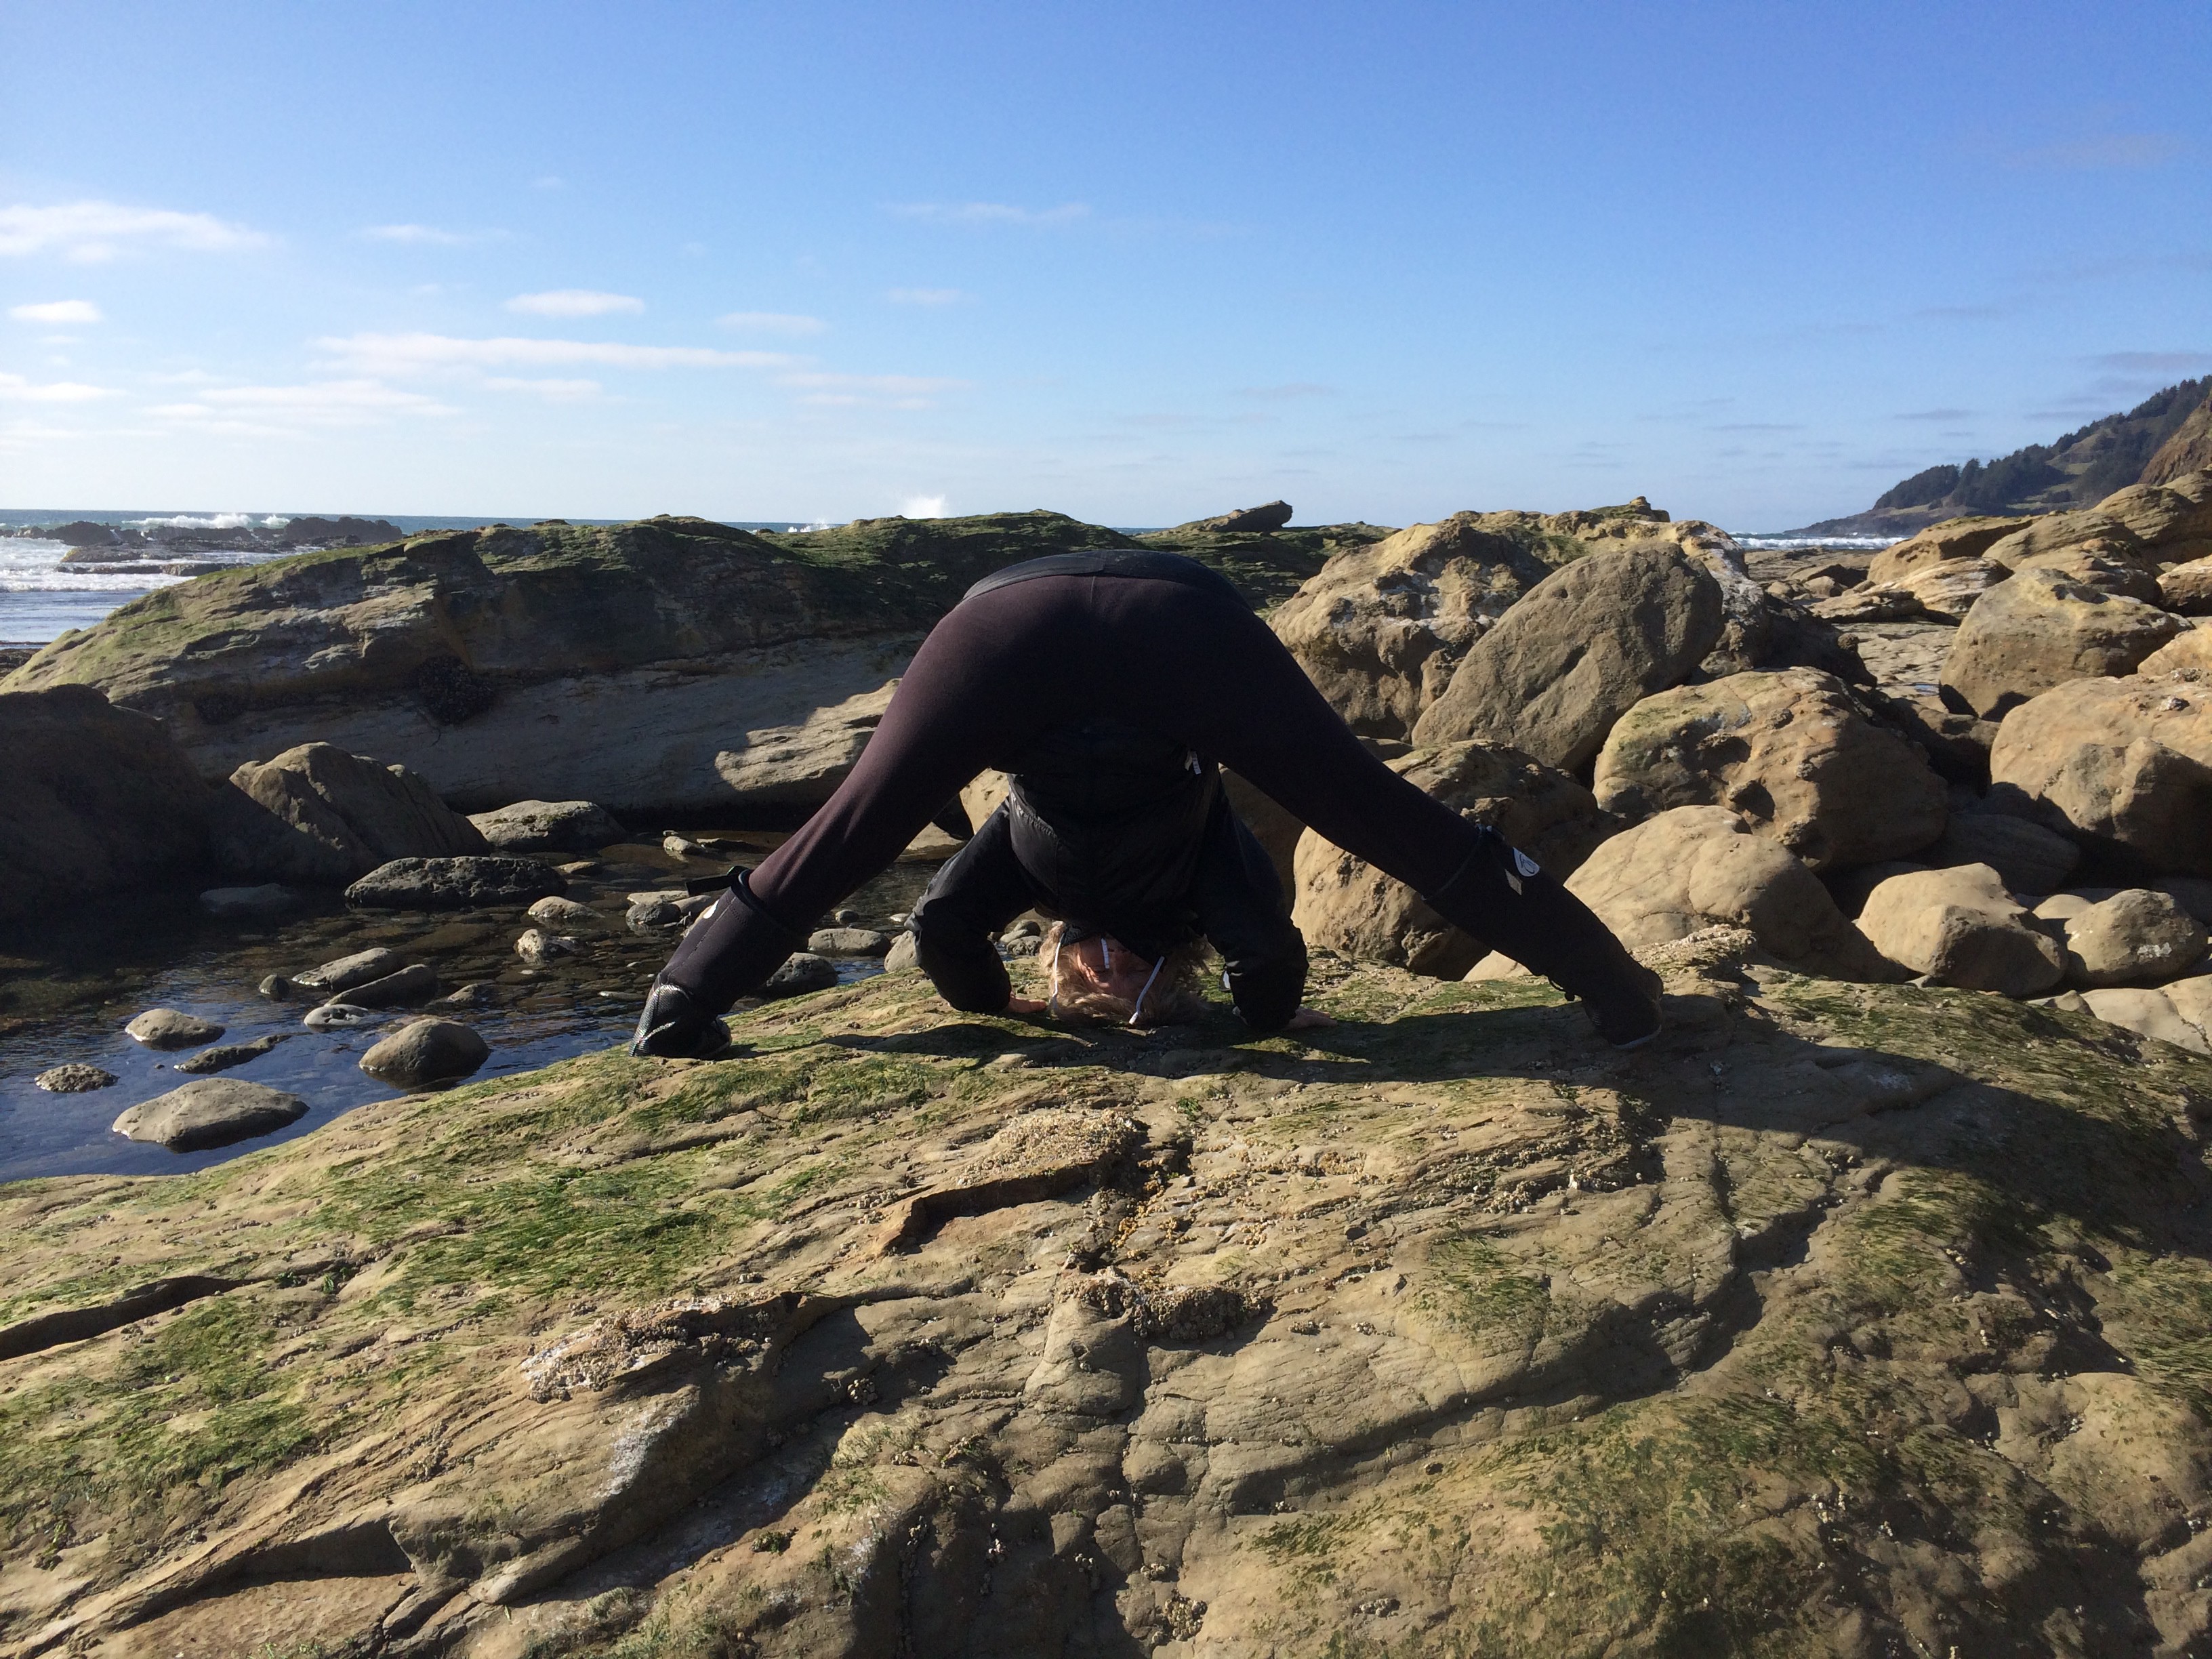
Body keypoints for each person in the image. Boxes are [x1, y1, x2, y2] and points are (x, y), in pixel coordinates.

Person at [633, 548, 1661, 1057]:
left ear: (1059, 953)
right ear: (1175, 965)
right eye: (1132, 983)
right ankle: (1608, 982)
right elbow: (1270, 956)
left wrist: (1005, 1010)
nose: (1110, 970)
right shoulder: (1209, 880)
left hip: (1012, 627)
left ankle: (681, 999)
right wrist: (1260, 1025)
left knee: (856, 821)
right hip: (1154, 628)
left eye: (1092, 981)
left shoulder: (1020, 863)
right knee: (1370, 808)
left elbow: (941, 923)